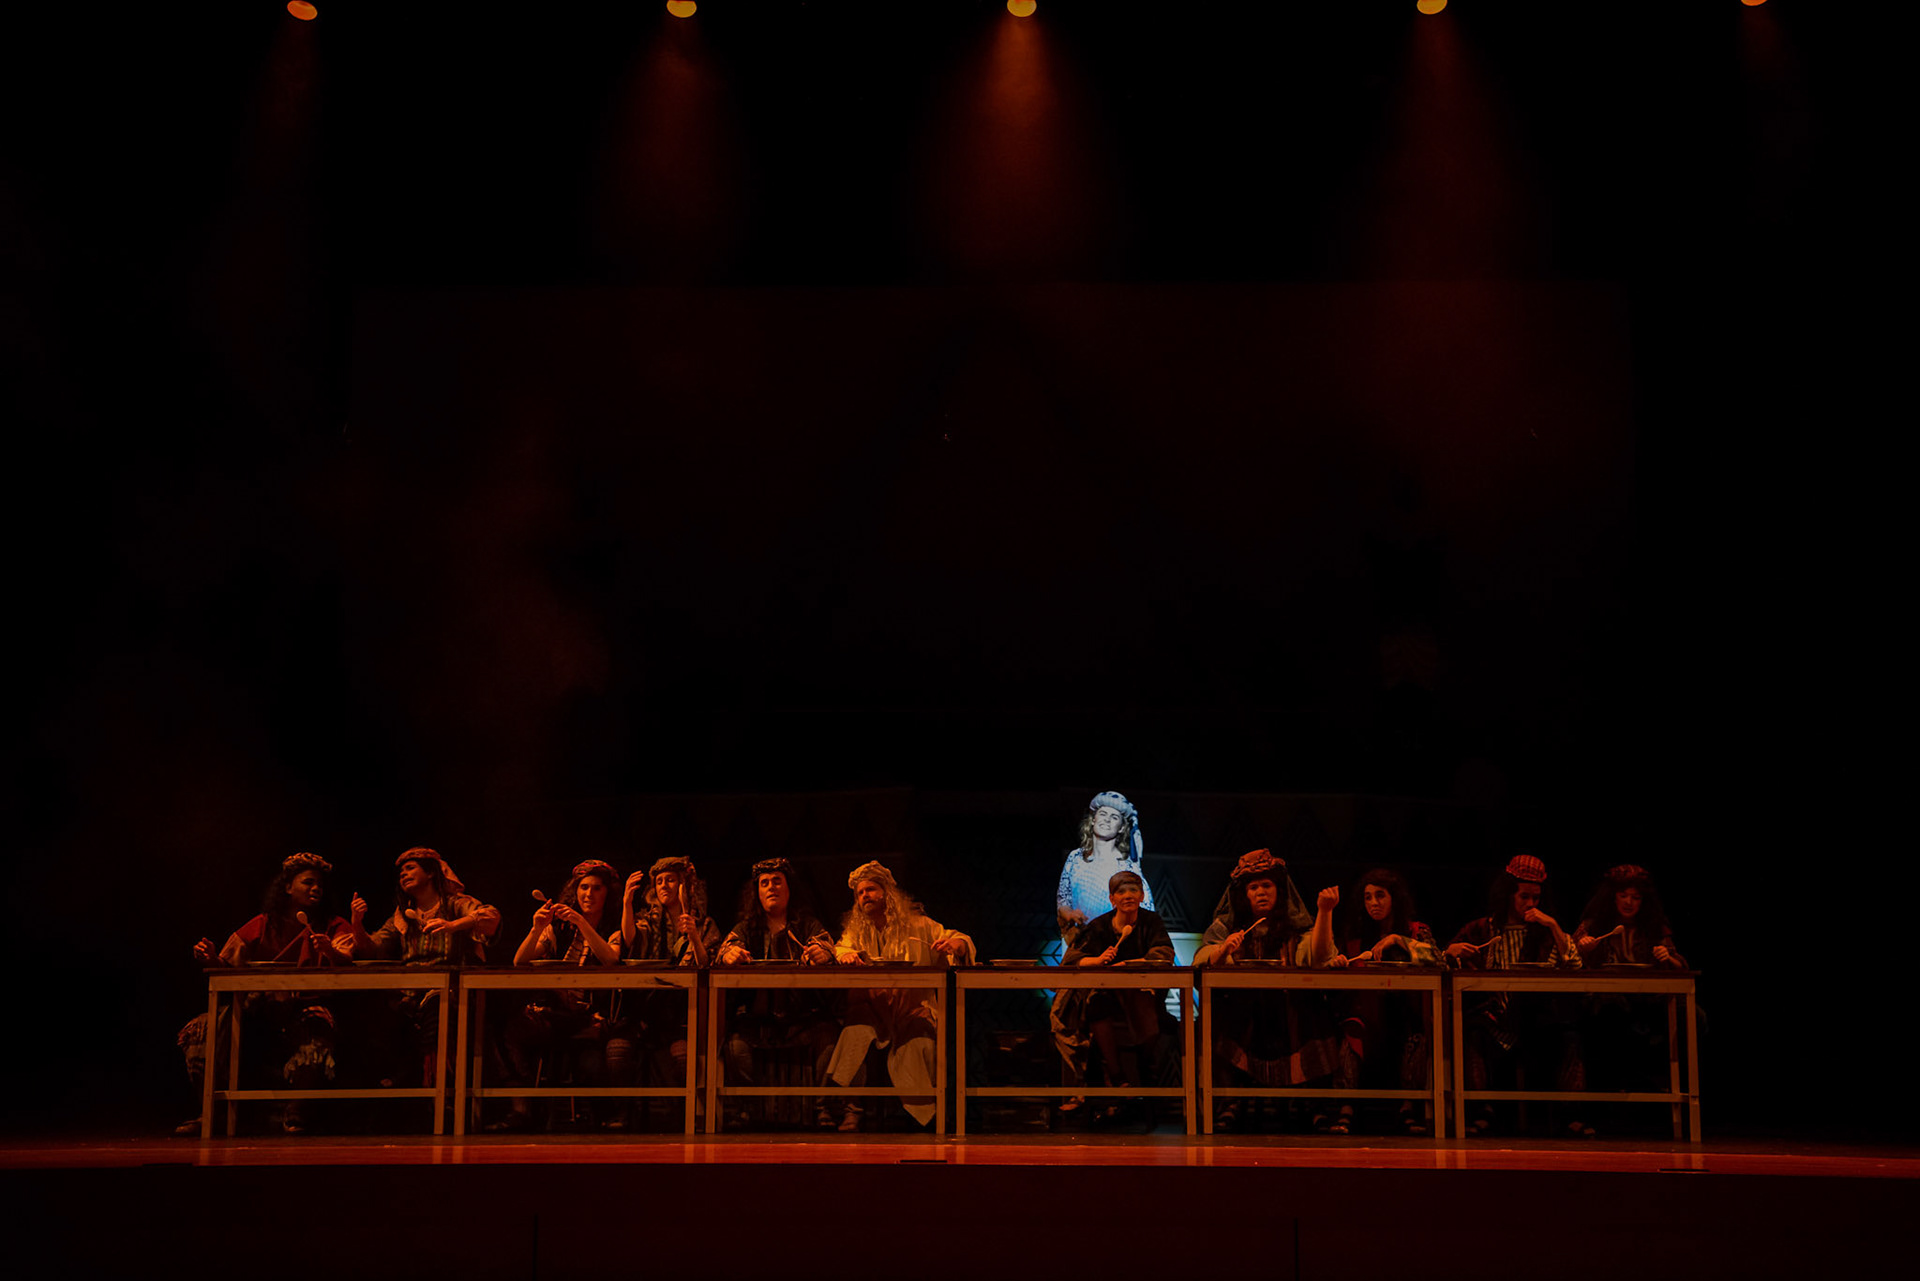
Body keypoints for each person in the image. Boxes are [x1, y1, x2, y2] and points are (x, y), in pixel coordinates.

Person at [176, 852, 371, 1135]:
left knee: (318, 1027)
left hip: (306, 1007)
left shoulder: (335, 925)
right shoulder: (261, 924)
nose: (316, 888)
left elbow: (346, 957)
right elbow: (228, 964)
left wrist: (329, 951)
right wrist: (211, 958)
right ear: (288, 887)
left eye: (320, 884)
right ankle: (212, 1113)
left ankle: (297, 1113)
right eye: (308, 882)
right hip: (259, 1009)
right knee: (202, 1030)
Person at [1193, 849, 1355, 1132]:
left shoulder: (1295, 927)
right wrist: (1223, 950)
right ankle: (1229, 1103)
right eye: (1254, 887)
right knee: (1213, 1026)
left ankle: (1314, 1105)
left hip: (1290, 1010)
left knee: (1317, 1021)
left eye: (1267, 885)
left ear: (1279, 890)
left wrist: (1325, 912)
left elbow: (1317, 957)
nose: (1261, 892)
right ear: (1244, 895)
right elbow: (1201, 960)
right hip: (1244, 1014)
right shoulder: (1227, 927)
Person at [1444, 854, 1589, 1137]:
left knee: (1569, 1037)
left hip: (1537, 1018)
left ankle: (1570, 1114)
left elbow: (1574, 964)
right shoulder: (1482, 928)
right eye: (1524, 896)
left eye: (1536, 898)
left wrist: (1553, 926)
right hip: (1494, 1018)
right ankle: (1481, 1111)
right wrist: (1452, 951)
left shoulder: (1545, 932)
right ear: (1508, 894)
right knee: (1472, 1033)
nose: (1530, 904)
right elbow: (1443, 960)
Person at [823, 861, 973, 1131]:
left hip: (911, 1009)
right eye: (860, 893)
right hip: (871, 1010)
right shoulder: (857, 930)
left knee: (919, 1045)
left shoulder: (919, 926)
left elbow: (958, 939)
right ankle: (852, 1111)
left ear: (887, 893)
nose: (865, 896)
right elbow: (841, 947)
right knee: (853, 1037)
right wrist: (846, 955)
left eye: (870, 889)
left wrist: (955, 945)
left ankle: (925, 1116)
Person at [488, 859, 625, 1132]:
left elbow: (610, 960)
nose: (589, 894)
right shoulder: (559, 928)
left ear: (607, 893)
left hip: (590, 1018)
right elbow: (520, 960)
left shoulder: (613, 926)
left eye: (596, 888)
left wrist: (581, 922)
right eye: (583, 887)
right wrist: (537, 927)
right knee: (505, 1030)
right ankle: (521, 1108)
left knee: (590, 1064)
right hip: (555, 1015)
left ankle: (603, 1119)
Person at [714, 857, 839, 1127]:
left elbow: (828, 945)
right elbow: (725, 949)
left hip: (802, 1019)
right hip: (757, 1021)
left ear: (789, 888)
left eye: (777, 881)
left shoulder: (806, 924)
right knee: (735, 1045)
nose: (771, 887)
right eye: (765, 883)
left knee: (829, 1038)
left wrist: (823, 953)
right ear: (757, 892)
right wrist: (729, 954)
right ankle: (745, 1111)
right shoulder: (746, 928)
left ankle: (824, 1108)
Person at [360, 847, 500, 1087]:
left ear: (431, 873)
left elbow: (490, 917)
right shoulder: (403, 915)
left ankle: (439, 1087)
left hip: (451, 993)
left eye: (410, 868)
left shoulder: (455, 905)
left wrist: (453, 925)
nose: (403, 874)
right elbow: (373, 946)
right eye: (401, 872)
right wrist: (356, 923)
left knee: (438, 1016)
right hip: (410, 994)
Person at [1057, 870, 1175, 1123]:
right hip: (1106, 997)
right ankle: (1117, 1076)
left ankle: (1145, 1073)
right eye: (1121, 891)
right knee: (1096, 1005)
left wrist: (1131, 965)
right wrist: (1097, 960)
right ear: (1112, 899)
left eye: (1133, 890)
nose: (1128, 895)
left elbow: (1164, 954)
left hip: (1142, 995)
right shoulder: (1099, 926)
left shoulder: (1151, 922)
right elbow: (1072, 960)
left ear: (1142, 896)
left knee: (1145, 1007)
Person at [1575, 864, 1688, 1117]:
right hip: (1604, 1002)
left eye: (1635, 897)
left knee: (1689, 1015)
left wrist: (1667, 957)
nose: (1629, 902)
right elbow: (1567, 960)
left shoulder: (1654, 927)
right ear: (1612, 897)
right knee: (1611, 1011)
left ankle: (1669, 1088)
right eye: (1623, 895)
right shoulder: (1594, 925)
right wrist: (1583, 949)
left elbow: (1680, 966)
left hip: (1646, 1001)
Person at [1339, 867, 1442, 1135]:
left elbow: (1438, 960)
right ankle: (1346, 1108)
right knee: (1351, 1031)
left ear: (1394, 897)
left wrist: (1399, 940)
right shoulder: (1356, 935)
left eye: (1380, 895)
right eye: (1368, 897)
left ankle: (1409, 1107)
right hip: (1368, 1012)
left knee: (1415, 1035)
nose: (1374, 903)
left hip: (1406, 1011)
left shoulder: (1415, 931)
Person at [617, 856, 718, 1093]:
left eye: (670, 880)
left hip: (685, 1012)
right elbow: (631, 940)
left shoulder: (703, 923)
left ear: (684, 884)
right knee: (618, 1053)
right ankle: (622, 1108)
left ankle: (683, 1110)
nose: (664, 885)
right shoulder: (649, 921)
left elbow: (707, 963)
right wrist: (627, 903)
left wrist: (693, 936)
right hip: (647, 1007)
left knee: (683, 1061)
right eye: (659, 881)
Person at [1057, 791, 1154, 945]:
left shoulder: (1127, 866)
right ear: (1093, 819)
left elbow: (1146, 911)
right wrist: (1069, 913)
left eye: (1114, 817)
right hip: (1080, 945)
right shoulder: (1075, 858)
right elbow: (1063, 898)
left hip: (1115, 947)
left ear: (1121, 828)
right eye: (1103, 814)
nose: (1107, 820)